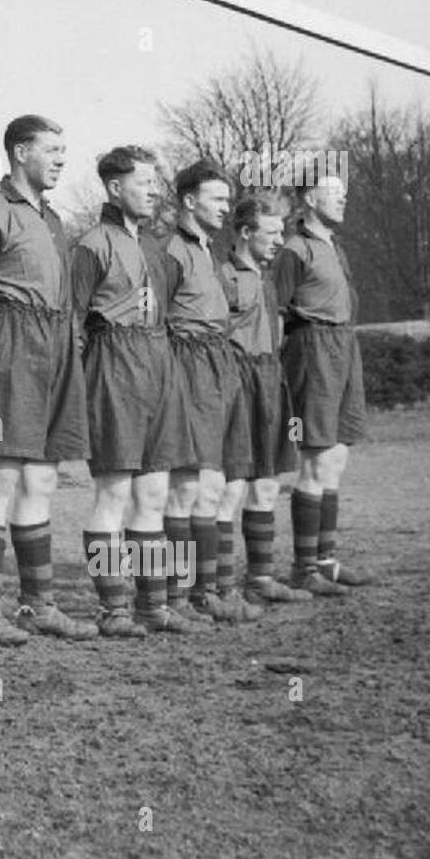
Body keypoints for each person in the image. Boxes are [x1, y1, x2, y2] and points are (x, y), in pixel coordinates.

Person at [0, 116, 98, 646]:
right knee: (1, 477)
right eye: (52, 150)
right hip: (10, 344)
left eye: (65, 149)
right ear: (20, 153)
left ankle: (37, 605)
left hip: (55, 345)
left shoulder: (54, 218)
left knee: (41, 479)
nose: (62, 159)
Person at [71, 146, 195, 637]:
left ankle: (155, 604)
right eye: (144, 182)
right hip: (112, 364)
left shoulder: (156, 248)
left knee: (155, 490)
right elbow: (73, 321)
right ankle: (112, 607)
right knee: (114, 491)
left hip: (158, 364)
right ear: (115, 187)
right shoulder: (91, 244)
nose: (154, 191)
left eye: (156, 183)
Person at [163, 159, 260, 624]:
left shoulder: (209, 252)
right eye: (217, 199)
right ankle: (176, 595)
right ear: (188, 201)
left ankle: (209, 589)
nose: (226, 207)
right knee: (187, 487)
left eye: (228, 199)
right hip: (187, 367)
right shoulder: (170, 252)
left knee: (217, 484)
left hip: (222, 365)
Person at [271, 173, 373, 595]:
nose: (343, 199)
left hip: (345, 346)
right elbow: (274, 310)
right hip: (311, 348)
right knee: (314, 459)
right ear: (311, 199)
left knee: (336, 458)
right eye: (335, 194)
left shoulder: (334, 246)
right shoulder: (294, 250)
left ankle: (326, 561)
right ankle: (303, 568)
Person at [215, 192, 311, 605]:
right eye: (271, 232)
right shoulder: (220, 273)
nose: (279, 240)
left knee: (267, 484)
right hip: (235, 382)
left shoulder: (270, 278)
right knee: (230, 486)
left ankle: (262, 578)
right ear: (245, 231)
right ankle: (218, 585)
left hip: (271, 380)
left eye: (282, 231)